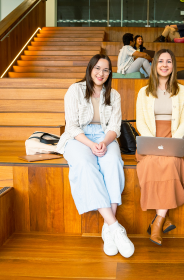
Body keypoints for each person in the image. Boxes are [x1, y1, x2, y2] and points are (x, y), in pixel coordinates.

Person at [56, 54, 135, 258]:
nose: (101, 73)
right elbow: (72, 126)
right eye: (98, 68)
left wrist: (104, 143)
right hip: (79, 138)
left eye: (106, 70)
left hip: (105, 137)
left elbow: (115, 127)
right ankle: (116, 227)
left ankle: (108, 231)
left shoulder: (114, 95)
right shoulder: (75, 90)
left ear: (110, 73)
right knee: (84, 164)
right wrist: (91, 145)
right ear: (90, 69)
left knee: (113, 163)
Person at [136, 49, 184, 246]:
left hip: (174, 138)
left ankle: (157, 222)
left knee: (169, 162)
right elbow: (140, 122)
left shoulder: (182, 90)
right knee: (150, 163)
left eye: (169, 61)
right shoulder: (143, 92)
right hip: (151, 138)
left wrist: (172, 142)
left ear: (173, 65)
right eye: (161, 61)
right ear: (155, 65)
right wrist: (152, 142)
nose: (165, 65)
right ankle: (162, 218)